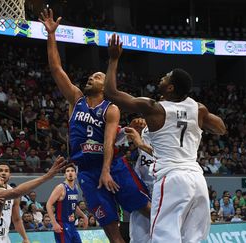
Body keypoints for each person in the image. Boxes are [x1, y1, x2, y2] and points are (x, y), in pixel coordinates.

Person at [39, 9, 151, 243]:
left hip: (114, 167)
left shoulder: (111, 108)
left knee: (149, 211)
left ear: (104, 86)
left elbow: (109, 142)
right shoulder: (76, 100)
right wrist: (51, 35)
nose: (91, 78)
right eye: (90, 76)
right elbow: (56, 70)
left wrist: (107, 170)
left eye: (97, 77)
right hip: (87, 174)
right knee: (112, 233)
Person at [103, 34, 226, 242]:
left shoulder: (154, 108)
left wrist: (114, 59)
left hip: (172, 178)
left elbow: (111, 93)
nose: (162, 77)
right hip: (197, 179)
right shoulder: (199, 108)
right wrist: (196, 114)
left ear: (170, 87)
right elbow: (221, 128)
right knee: (192, 238)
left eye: (166, 77)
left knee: (163, 236)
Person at [46, 164, 88, 243]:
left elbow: (74, 206)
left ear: (75, 175)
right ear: (65, 175)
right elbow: (48, 204)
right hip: (62, 224)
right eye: (67, 171)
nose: (70, 173)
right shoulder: (61, 187)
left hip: (72, 224)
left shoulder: (76, 187)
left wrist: (83, 216)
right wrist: (54, 223)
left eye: (72, 171)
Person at [0, 162, 30, 243]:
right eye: (0, 170)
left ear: (10, 175)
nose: (3, 173)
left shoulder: (14, 194)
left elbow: (16, 219)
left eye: (6, 171)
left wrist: (25, 238)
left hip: (4, 237)